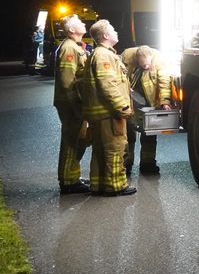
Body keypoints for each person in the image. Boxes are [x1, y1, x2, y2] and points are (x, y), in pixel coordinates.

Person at [80, 19, 135, 196]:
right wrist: (121, 107)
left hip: (100, 113)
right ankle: (115, 185)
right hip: (109, 113)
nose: (116, 32)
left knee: (100, 150)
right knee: (115, 148)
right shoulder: (104, 55)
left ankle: (98, 185)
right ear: (105, 35)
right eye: (112, 30)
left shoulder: (99, 53)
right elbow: (107, 84)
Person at [53, 15, 91, 194]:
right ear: (72, 30)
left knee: (79, 139)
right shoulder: (69, 48)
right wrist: (76, 107)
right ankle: (69, 181)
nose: (84, 24)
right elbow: (67, 80)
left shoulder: (75, 46)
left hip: (74, 102)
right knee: (72, 140)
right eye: (80, 23)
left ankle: (73, 176)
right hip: (70, 104)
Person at [121, 45, 172, 175]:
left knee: (150, 133)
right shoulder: (127, 56)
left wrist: (165, 102)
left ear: (151, 58)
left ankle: (147, 164)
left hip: (149, 101)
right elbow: (118, 75)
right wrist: (125, 88)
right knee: (128, 133)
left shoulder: (158, 59)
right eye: (143, 64)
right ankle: (126, 163)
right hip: (130, 100)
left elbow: (164, 82)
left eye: (148, 64)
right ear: (137, 59)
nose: (146, 66)